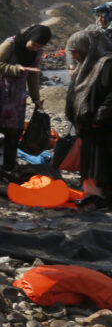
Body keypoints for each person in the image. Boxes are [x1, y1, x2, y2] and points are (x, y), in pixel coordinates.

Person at [0, 24, 50, 173]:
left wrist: (36, 98)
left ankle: (9, 167)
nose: (35, 48)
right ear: (29, 37)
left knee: (14, 131)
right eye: (34, 44)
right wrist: (18, 69)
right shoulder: (10, 44)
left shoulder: (37, 53)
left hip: (16, 96)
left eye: (39, 46)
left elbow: (33, 75)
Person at [65, 29, 112, 202]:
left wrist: (100, 117)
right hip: (88, 125)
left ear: (87, 48)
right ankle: (93, 193)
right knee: (90, 161)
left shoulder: (107, 64)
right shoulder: (85, 66)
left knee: (102, 160)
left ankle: (103, 194)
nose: (74, 56)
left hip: (103, 126)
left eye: (75, 52)